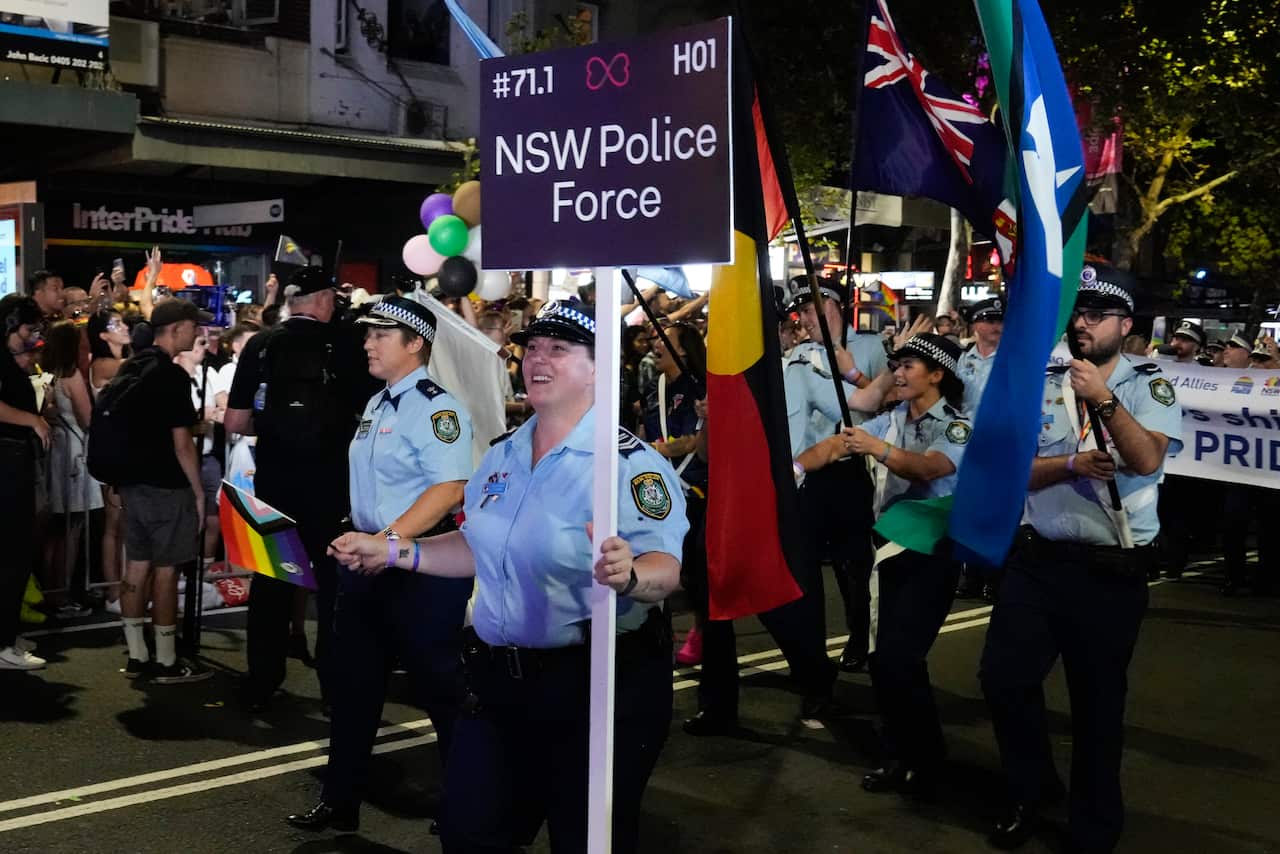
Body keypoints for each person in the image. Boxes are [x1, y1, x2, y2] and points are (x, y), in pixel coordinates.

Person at [328, 299, 687, 854]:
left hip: (594, 685)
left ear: (598, 367)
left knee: (585, 839)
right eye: (533, 347)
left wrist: (630, 574)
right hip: (499, 685)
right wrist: (394, 552)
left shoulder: (629, 464)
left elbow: (665, 569)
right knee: (470, 833)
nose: (537, 359)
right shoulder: (502, 455)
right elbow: (476, 544)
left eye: (559, 349)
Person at [981, 264, 1182, 853]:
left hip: (1108, 572)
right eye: (1080, 313)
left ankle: (1095, 826)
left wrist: (1105, 400)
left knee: (1096, 705)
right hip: (1037, 562)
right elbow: (1014, 467)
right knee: (1003, 680)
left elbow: (1146, 460)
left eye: (1098, 315)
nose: (1083, 323)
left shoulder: (1150, 383)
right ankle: (1031, 789)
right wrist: (1068, 465)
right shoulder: (1044, 378)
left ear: (1125, 324)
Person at [288, 296, 475, 833]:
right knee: (353, 689)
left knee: (441, 691)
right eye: (368, 335)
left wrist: (386, 540)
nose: (367, 343)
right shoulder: (377, 404)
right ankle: (340, 802)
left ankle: (464, 804)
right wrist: (357, 537)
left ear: (415, 343)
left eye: (380, 336)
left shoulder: (439, 408)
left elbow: (449, 488)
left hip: (423, 568)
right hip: (370, 564)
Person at [225, 266, 377, 714]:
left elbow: (235, 422)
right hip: (331, 486)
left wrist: (273, 426)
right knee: (333, 589)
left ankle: (261, 682)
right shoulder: (347, 344)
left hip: (273, 483)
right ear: (325, 299)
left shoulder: (259, 344)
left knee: (272, 584)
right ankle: (335, 690)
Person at [835, 333, 972, 799]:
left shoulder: (955, 426)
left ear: (937, 374)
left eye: (910, 364)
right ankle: (902, 754)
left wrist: (876, 449)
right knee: (882, 660)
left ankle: (926, 757)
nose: (898, 372)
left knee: (900, 657)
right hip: (884, 546)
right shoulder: (889, 419)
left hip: (929, 553)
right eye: (896, 364)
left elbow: (931, 469)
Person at [786, 275, 889, 678]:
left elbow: (888, 407)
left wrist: (853, 374)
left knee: (853, 564)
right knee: (805, 563)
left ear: (834, 306)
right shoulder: (799, 354)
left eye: (810, 309)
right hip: (807, 472)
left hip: (850, 469)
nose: (804, 318)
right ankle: (810, 652)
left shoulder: (869, 348)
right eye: (801, 311)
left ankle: (859, 634)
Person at [114, 299, 212, 683]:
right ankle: (168, 659)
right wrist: (198, 491)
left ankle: (137, 653)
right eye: (193, 326)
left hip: (133, 485)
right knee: (167, 572)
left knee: (136, 566)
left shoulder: (133, 367)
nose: (198, 333)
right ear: (175, 329)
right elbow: (181, 443)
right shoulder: (170, 375)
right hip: (166, 487)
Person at [38, 320, 103, 617]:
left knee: (54, 530)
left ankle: (49, 591)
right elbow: (87, 418)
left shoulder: (46, 373)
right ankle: (62, 595)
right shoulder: (72, 374)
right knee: (72, 528)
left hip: (55, 452)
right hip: (74, 454)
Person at [0, 295, 50, 670]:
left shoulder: (11, 360)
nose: (33, 337)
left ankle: (7, 635)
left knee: (16, 554)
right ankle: (3, 644)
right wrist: (31, 420)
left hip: (15, 460)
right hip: (7, 463)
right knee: (11, 553)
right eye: (30, 329)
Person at [954, 297, 1004, 599]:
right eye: (990, 320)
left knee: (994, 513)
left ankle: (993, 576)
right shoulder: (960, 358)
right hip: (962, 445)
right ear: (975, 325)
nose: (997, 326)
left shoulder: (1013, 358)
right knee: (967, 511)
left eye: (1000, 320)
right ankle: (970, 575)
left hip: (996, 444)